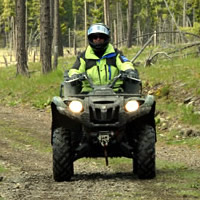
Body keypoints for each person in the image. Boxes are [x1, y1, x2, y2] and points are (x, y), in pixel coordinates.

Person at [68, 23, 140, 93]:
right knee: (68, 103)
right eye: (95, 37)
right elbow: (75, 69)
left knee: (137, 102)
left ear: (106, 38)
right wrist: (74, 76)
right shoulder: (83, 57)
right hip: (88, 93)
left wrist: (129, 71)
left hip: (116, 93)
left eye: (101, 37)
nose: (98, 39)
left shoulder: (115, 54)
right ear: (91, 39)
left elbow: (125, 63)